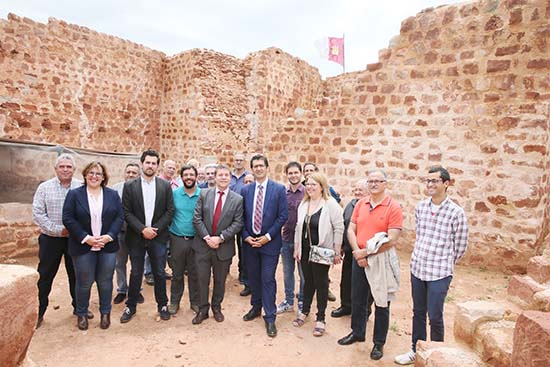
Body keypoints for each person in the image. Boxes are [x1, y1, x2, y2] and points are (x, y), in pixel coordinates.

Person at [394, 166, 469, 365]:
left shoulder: (456, 213)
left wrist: (444, 262)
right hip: (418, 268)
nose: (430, 184)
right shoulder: (421, 207)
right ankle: (415, 350)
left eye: (434, 181)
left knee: (435, 315)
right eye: (427, 181)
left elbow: (461, 246)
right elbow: (420, 235)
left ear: (446, 184)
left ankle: (436, 356)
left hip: (440, 272)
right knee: (418, 312)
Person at [337, 169, 403, 362]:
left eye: (378, 181)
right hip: (360, 256)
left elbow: (391, 240)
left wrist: (365, 253)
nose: (373, 184)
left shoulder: (393, 207)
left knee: (382, 301)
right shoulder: (361, 204)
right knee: (357, 297)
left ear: (385, 184)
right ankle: (357, 332)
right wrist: (358, 252)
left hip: (380, 259)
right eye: (371, 181)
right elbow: (351, 228)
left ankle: (379, 343)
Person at [62, 161, 124, 330]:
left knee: (105, 281)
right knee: (84, 281)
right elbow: (67, 218)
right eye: (91, 173)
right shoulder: (75, 194)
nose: (94, 176)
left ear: (104, 177)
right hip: (83, 246)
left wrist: (109, 236)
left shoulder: (112, 195)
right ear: (85, 175)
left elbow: (119, 217)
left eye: (98, 173)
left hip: (107, 246)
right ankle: (81, 314)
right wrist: (85, 237)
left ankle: (105, 313)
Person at [32, 153, 89, 328]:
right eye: (62, 166)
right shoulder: (44, 188)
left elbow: (87, 213)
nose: (65, 169)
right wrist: (58, 230)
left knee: (77, 275)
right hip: (51, 240)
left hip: (75, 240)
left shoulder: (81, 187)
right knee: (45, 275)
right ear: (55, 169)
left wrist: (76, 232)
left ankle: (80, 309)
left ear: (74, 170)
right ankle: (38, 312)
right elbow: (38, 214)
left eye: (69, 167)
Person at [120, 149, 175, 323]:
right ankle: (131, 306)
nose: (150, 166)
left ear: (157, 166)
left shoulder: (165, 186)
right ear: (142, 164)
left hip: (158, 237)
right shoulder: (130, 186)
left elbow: (170, 210)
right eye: (147, 162)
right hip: (136, 236)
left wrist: (155, 229)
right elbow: (126, 212)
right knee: (136, 272)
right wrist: (143, 229)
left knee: (159, 272)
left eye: (153, 163)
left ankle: (163, 305)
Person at [241, 154, 288, 337]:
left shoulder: (278, 189)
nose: (259, 169)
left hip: (270, 243)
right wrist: (246, 236)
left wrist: (268, 236)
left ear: (267, 167)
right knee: (253, 277)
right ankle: (256, 307)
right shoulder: (246, 190)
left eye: (261, 165)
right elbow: (241, 217)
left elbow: (283, 216)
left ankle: (270, 317)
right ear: (252, 169)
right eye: (255, 166)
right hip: (250, 243)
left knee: (267, 278)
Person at [292, 173, 343, 336]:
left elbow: (339, 228)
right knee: (307, 282)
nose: (310, 187)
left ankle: (320, 318)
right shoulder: (304, 203)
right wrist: (296, 248)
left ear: (322, 186)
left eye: (314, 184)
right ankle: (304, 311)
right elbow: (298, 229)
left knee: (321, 284)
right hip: (305, 250)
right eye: (308, 184)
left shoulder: (330, 204)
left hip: (322, 251)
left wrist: (336, 251)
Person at [192, 164, 244, 324]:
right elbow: (197, 218)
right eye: (220, 175)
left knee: (220, 281)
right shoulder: (204, 194)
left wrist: (220, 238)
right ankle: (203, 309)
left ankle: (216, 307)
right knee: (202, 279)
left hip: (224, 247)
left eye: (226, 175)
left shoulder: (237, 199)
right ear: (215, 177)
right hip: (203, 245)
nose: (223, 178)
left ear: (230, 179)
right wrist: (207, 238)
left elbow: (238, 223)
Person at [332, 180, 369, 318]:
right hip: (349, 250)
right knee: (346, 280)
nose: (357, 192)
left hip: (364, 252)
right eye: (356, 190)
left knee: (362, 285)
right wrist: (341, 245)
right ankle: (346, 306)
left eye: (361, 190)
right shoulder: (350, 204)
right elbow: (343, 225)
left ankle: (363, 311)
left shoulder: (368, 206)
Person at [168, 164, 201, 315]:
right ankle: (174, 302)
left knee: (195, 273)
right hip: (177, 239)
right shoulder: (174, 194)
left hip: (196, 240)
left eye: (191, 175)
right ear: (181, 177)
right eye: (186, 175)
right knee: (177, 274)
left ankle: (195, 302)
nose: (189, 177)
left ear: (196, 177)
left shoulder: (203, 195)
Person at [112, 163, 144, 305]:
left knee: (137, 264)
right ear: (124, 173)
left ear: (139, 175)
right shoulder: (114, 190)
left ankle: (137, 290)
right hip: (120, 233)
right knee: (120, 263)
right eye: (128, 172)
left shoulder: (143, 190)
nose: (131, 175)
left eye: (134, 173)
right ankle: (122, 289)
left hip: (137, 234)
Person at [276, 161, 305, 314]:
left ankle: (302, 301)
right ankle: (288, 301)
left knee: (303, 274)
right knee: (288, 272)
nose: (293, 176)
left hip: (303, 241)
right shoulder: (283, 193)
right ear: (286, 175)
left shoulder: (307, 192)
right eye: (290, 173)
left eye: (296, 172)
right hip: (286, 239)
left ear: (300, 174)